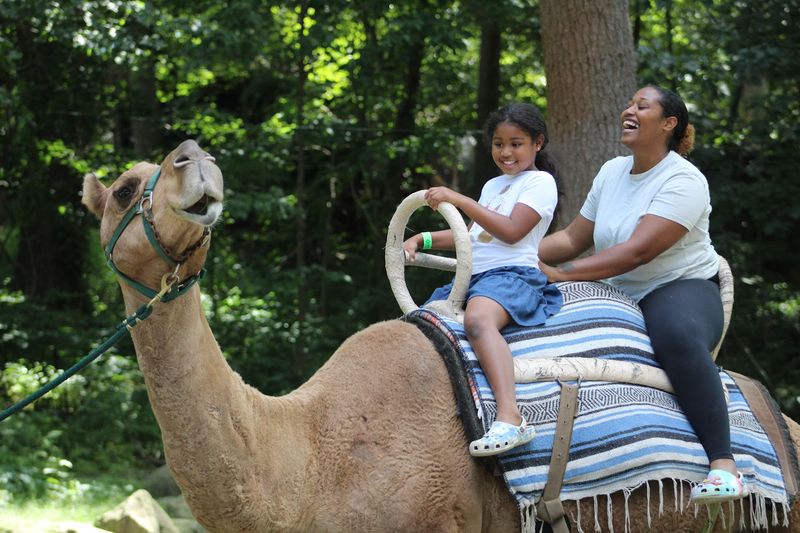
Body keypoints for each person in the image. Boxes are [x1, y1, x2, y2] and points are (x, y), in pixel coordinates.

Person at [538, 85, 746, 503]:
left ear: (669, 123)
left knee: (677, 336)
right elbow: (573, 238)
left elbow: (637, 252)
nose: (628, 110)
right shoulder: (612, 171)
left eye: (641, 106)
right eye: (629, 103)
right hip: (615, 291)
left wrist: (560, 275)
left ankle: (724, 466)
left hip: (678, 286)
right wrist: (515, 256)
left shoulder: (684, 180)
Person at [404, 102, 563, 457]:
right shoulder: (494, 185)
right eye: (498, 144)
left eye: (516, 144)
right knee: (420, 322)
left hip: (513, 276)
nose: (506, 152)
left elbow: (511, 231)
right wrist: (422, 239)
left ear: (538, 143)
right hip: (473, 277)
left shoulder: (540, 182)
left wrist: (459, 199)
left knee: (477, 320)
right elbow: (472, 237)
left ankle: (511, 417)